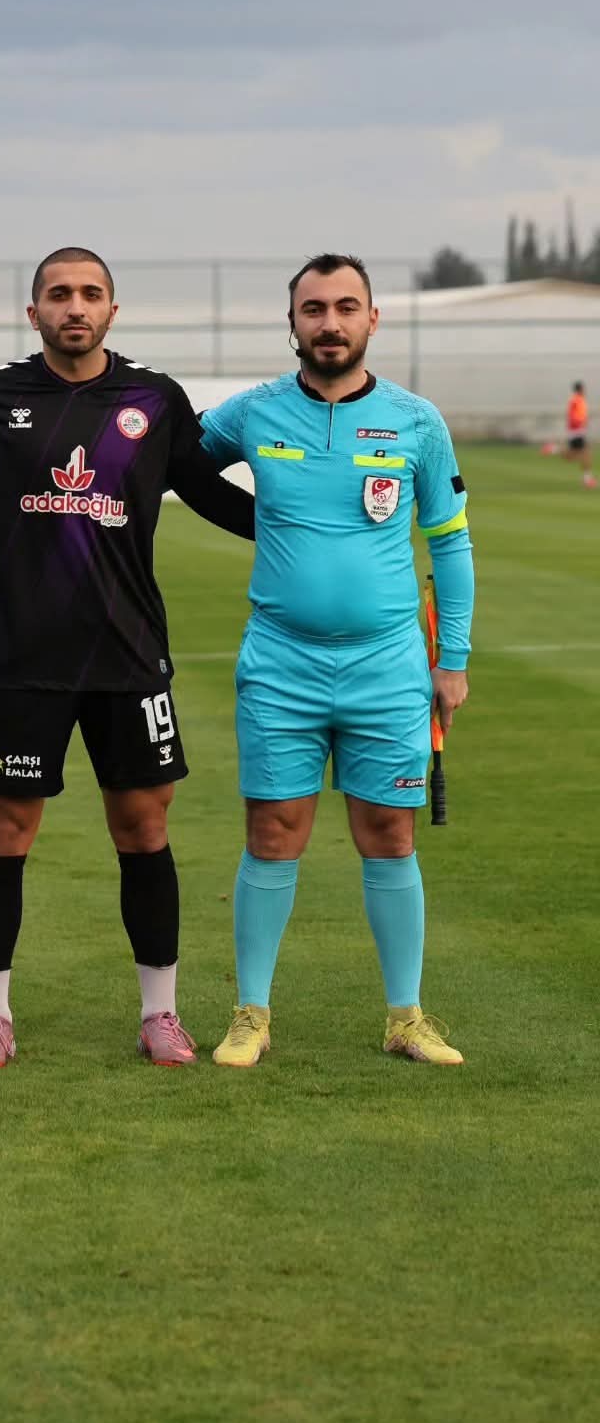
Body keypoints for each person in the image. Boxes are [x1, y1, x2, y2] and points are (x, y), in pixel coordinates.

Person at [0, 247, 255, 1071]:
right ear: (34, 312)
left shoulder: (154, 399)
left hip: (129, 654)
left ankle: (161, 1014)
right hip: (22, 655)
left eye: (90, 294)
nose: (74, 306)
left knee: (144, 826)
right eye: (59, 294)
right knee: (3, 829)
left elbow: (204, 488)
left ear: (113, 310)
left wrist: (300, 528)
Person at [199, 252, 474, 1067]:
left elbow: (450, 543)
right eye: (313, 309)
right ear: (293, 322)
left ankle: (406, 1017)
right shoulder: (253, 412)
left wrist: (452, 661)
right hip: (280, 663)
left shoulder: (416, 421)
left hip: (388, 665)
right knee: (273, 830)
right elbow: (173, 464)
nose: (330, 323)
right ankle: (251, 1015)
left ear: (371, 319)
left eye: (346, 307)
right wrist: (251, 521)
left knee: (389, 832)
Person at [565, 381, 595, 487]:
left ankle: (552, 449)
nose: (585, 390)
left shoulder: (577, 399)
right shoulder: (577, 400)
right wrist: (580, 423)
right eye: (583, 388)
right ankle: (587, 480)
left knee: (572, 456)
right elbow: (574, 416)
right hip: (577, 431)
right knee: (585, 454)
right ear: (580, 389)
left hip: (577, 431)